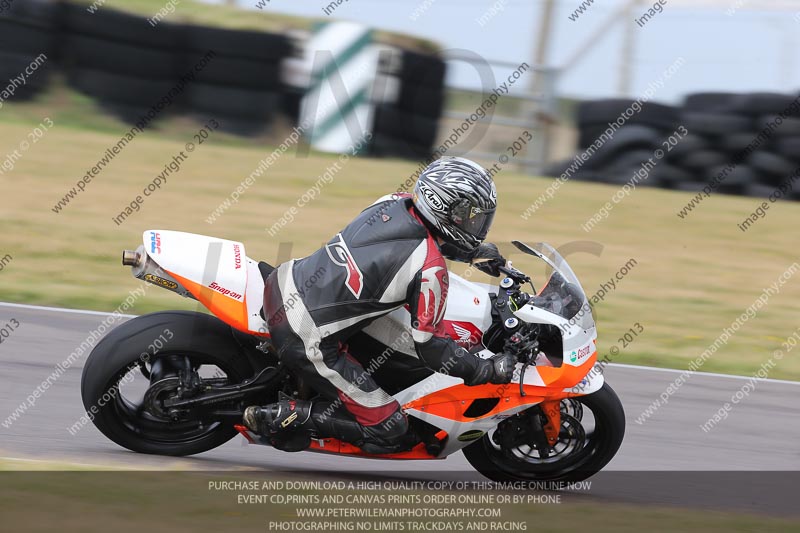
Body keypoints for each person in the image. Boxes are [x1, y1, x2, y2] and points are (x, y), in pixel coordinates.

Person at [243, 156, 516, 454]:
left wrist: (471, 253)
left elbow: (415, 240)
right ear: (442, 206)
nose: (477, 224)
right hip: (305, 333)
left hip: (287, 279)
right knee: (390, 429)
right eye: (470, 216)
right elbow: (431, 347)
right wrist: (484, 370)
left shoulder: (393, 201)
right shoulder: (430, 270)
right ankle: (284, 415)